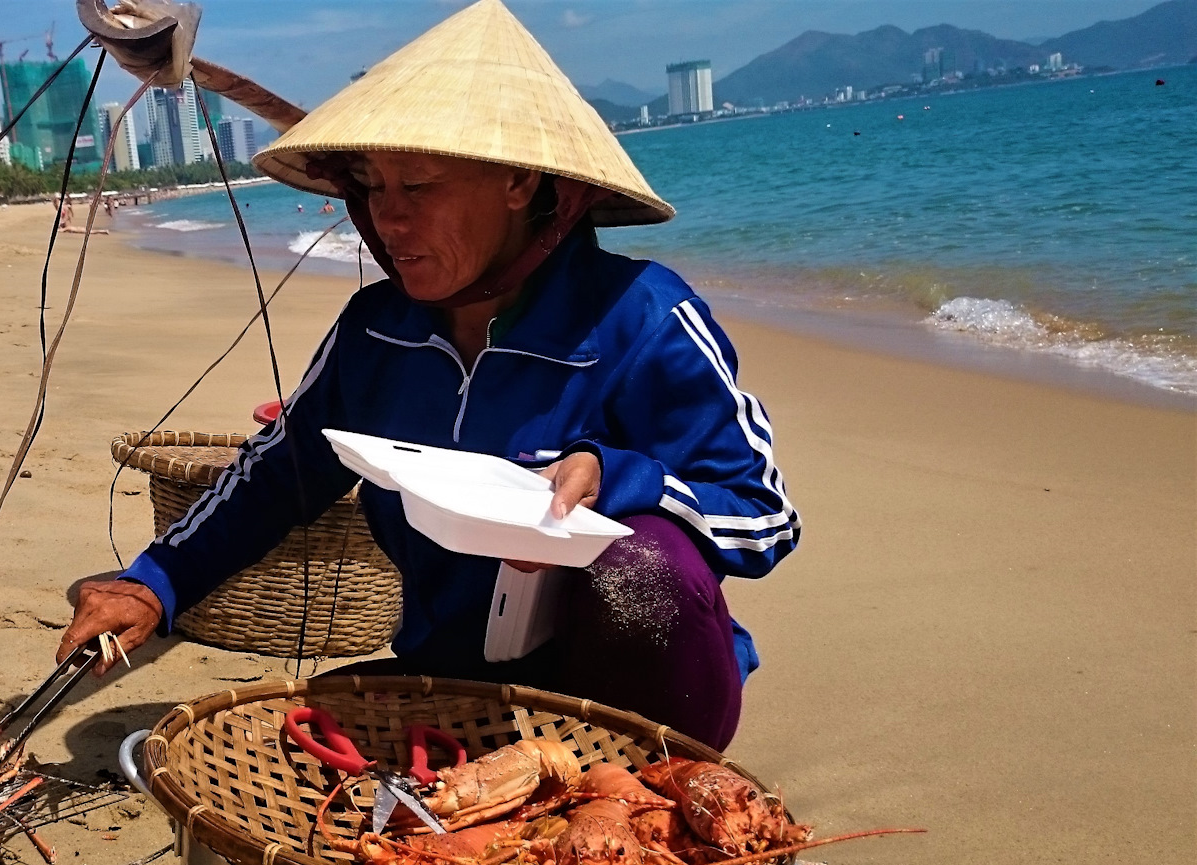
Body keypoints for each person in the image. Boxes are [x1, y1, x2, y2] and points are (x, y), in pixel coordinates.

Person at [61, 0, 796, 751]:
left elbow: (764, 515)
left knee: (646, 553)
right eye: (373, 188)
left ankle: (645, 772)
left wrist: (620, 479)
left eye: (417, 187)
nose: (387, 220)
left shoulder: (643, 319)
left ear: (518, 182)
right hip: (454, 685)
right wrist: (152, 580)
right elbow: (277, 474)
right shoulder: (376, 329)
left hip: (640, 701)